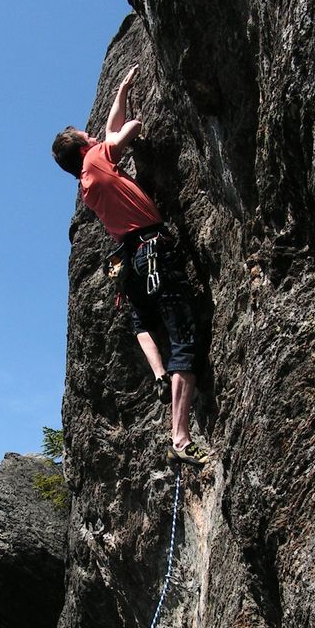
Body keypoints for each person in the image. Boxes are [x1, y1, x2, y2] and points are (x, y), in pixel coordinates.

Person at [52, 64, 208, 467]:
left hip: (133, 256)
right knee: (184, 337)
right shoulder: (97, 161)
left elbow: (107, 131)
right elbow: (125, 131)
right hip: (154, 247)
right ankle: (180, 434)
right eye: (87, 137)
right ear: (84, 147)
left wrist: (121, 89)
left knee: (141, 318)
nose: (93, 135)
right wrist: (133, 119)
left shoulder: (86, 181)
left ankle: (157, 374)